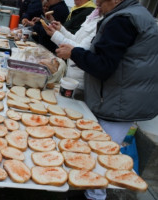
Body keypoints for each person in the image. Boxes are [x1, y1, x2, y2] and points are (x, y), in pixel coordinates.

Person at [56, 0, 158, 199]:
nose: (98, 6)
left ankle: (93, 195)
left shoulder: (122, 21)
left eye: (100, 2)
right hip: (123, 99)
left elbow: (103, 66)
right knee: (98, 158)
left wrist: (74, 53)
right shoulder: (135, 13)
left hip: (117, 103)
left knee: (99, 162)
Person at [43, 8, 102, 98]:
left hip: (80, 78)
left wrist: (55, 35)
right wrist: (61, 30)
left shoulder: (102, 20)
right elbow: (75, 39)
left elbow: (82, 49)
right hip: (72, 72)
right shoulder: (93, 16)